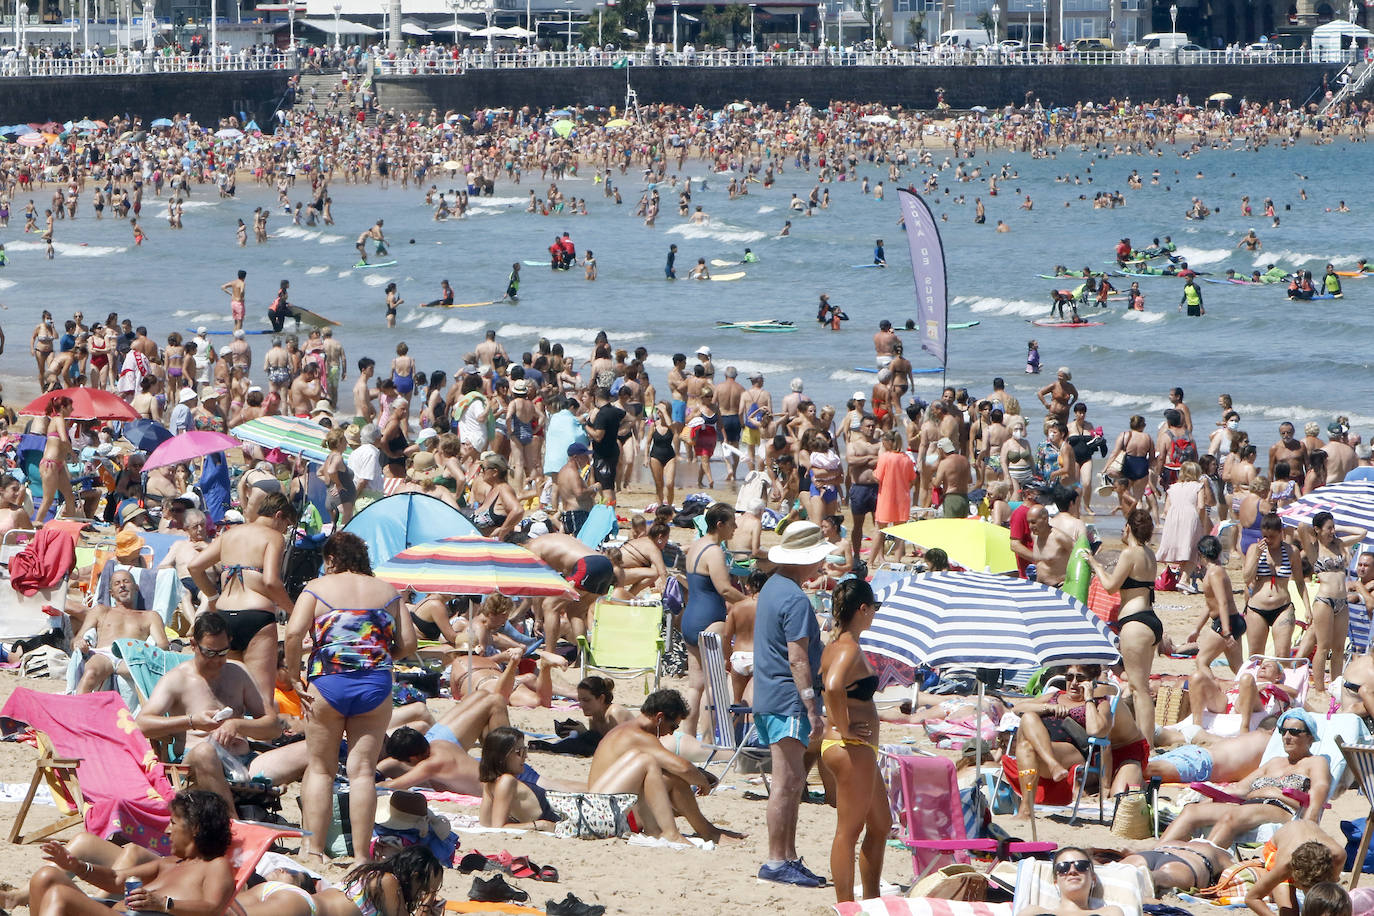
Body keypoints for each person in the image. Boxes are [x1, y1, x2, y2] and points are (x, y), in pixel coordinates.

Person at [283, 530, 416, 862]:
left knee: (320, 769)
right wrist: (380, 654)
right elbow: (410, 644)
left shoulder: (316, 588)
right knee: (362, 772)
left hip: (328, 683)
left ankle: (313, 850)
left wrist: (292, 673)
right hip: (374, 684)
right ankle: (360, 856)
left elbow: (294, 632)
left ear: (331, 559)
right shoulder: (388, 592)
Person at [134, 612, 286, 807]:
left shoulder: (238, 672)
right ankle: (233, 824)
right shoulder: (177, 679)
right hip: (195, 766)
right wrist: (191, 721)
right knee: (206, 751)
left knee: (309, 751)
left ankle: (320, 837)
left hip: (245, 762)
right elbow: (140, 724)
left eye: (223, 652)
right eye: (210, 652)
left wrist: (237, 725)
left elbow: (273, 727)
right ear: (194, 645)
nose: (217, 660)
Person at [754, 522, 832, 888]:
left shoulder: (773, 587)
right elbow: (798, 658)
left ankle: (786, 856)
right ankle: (776, 859)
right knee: (787, 782)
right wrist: (812, 705)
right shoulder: (795, 599)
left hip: (772, 694)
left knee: (794, 779)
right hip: (786, 699)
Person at [27, 789, 236, 916]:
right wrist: (77, 866)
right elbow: (117, 878)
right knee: (45, 877)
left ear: (195, 828)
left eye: (173, 823)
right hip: (118, 911)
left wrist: (164, 904)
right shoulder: (169, 863)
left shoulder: (216, 866)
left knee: (60, 896)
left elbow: (213, 908)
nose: (167, 830)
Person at [1159, 709, 1331, 848]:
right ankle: (1156, 854)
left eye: (1294, 732)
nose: (1286, 737)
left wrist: (1309, 823)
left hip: (1282, 809)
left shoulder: (1316, 762)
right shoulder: (1274, 762)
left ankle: (1203, 864)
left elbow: (1320, 790)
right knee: (1192, 811)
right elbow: (1239, 789)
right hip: (1250, 804)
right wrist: (1212, 796)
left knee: (1232, 816)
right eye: (1283, 731)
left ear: (1309, 736)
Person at [586, 688, 740, 844]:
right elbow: (683, 767)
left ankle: (709, 831)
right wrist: (703, 782)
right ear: (659, 717)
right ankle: (703, 833)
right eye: (673, 726)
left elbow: (675, 766)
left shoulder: (626, 729)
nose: (671, 733)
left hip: (599, 807)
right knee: (672, 777)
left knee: (669, 775)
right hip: (606, 814)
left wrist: (699, 774)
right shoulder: (640, 736)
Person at [189, 491, 298, 709]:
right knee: (261, 699)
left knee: (228, 696)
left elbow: (195, 567)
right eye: (287, 525)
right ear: (278, 515)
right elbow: (270, 581)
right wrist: (294, 611)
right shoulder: (274, 537)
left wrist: (213, 596)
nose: (285, 531)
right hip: (256, 616)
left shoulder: (230, 534)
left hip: (224, 615)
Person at [819, 579, 888, 904]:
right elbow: (832, 687)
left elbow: (835, 688)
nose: (874, 614)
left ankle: (871, 900)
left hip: (853, 749)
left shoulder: (836, 644)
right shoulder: (847, 647)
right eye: (873, 608)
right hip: (849, 748)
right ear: (863, 609)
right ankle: (846, 905)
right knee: (848, 831)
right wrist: (845, 728)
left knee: (881, 823)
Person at [1082, 508, 1160, 748]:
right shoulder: (1150, 554)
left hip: (1134, 622)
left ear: (1128, 527)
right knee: (1142, 687)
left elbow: (1110, 586)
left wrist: (1094, 564)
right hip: (1151, 620)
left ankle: (1147, 746)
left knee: (1139, 690)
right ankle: (1149, 742)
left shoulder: (1130, 553)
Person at [1009, 664, 1112, 819]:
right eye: (1069, 677)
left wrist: (1089, 698)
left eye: (1080, 677)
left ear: (1091, 681)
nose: (1074, 682)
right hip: (1044, 752)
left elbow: (1096, 730)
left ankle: (1026, 807)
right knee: (1028, 722)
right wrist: (1049, 708)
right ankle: (1051, 766)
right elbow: (1018, 708)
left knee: (1026, 745)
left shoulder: (1100, 703)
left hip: (1073, 751)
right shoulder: (1054, 697)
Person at [680, 503, 745, 737]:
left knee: (694, 685)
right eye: (732, 524)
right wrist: (750, 603)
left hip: (690, 619)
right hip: (710, 621)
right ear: (720, 525)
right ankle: (708, 739)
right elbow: (725, 590)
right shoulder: (715, 551)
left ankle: (687, 737)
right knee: (713, 685)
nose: (735, 528)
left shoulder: (696, 545)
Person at [1295, 510, 1366, 692]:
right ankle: (1319, 689)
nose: (1332, 531)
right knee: (1323, 647)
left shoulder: (1339, 544)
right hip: (1325, 600)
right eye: (1329, 528)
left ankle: (1335, 687)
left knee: (1339, 648)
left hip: (1342, 602)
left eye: (1333, 527)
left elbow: (1362, 533)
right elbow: (1302, 527)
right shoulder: (1314, 548)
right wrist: (1319, 529)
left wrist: (1337, 528)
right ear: (1318, 529)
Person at [1243, 820, 1345, 916]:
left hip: (1302, 833)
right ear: (1295, 879)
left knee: (1324, 907)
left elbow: (1330, 890)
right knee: (1290, 913)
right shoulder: (1284, 865)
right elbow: (1251, 898)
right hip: (1277, 847)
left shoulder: (1338, 855)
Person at [1244, 513, 1305, 661]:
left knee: (1283, 655)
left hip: (1282, 607)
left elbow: (1300, 582)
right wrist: (1257, 556)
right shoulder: (1254, 549)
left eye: (1272, 536)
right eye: (1265, 536)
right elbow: (1247, 578)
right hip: (1257, 608)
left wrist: (1307, 608)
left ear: (1281, 533)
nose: (1268, 540)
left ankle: (1280, 684)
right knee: (1256, 656)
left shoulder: (1292, 551)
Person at [314, 848, 442, 916]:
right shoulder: (387, 881)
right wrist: (429, 899)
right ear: (414, 877)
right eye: (424, 888)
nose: (422, 895)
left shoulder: (372, 873)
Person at [479, 726, 558, 828]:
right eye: (519, 752)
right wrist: (540, 825)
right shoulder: (504, 781)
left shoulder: (497, 783)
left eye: (525, 750)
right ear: (503, 756)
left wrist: (539, 824)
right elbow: (494, 825)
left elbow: (489, 823)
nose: (525, 756)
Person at [1188, 535, 1245, 674]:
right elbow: (1210, 604)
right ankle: (1256, 692)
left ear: (1200, 554)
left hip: (1226, 622)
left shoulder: (1214, 573)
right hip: (1231, 620)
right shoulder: (1214, 571)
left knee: (1202, 661)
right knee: (1238, 667)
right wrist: (1197, 629)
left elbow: (1222, 602)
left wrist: (1226, 631)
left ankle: (1213, 693)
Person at [1014, 847, 1125, 916]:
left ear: (1093, 879)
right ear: (1056, 881)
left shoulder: (1110, 913)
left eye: (1081, 866)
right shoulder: (1032, 912)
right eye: (1063, 867)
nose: (1072, 871)